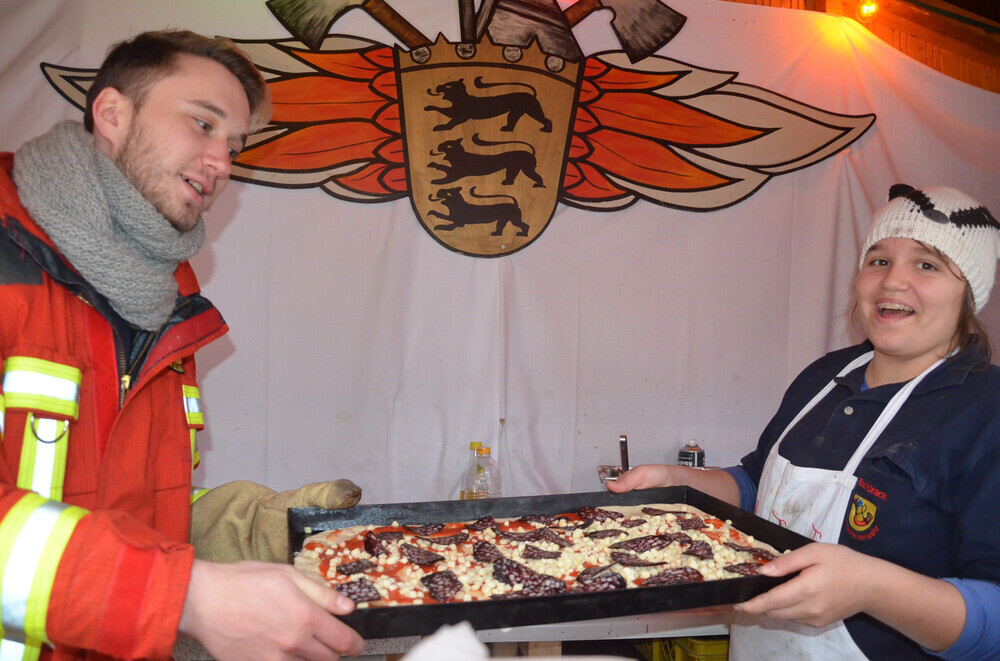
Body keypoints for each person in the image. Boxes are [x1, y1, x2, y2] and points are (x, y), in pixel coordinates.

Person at [0, 31, 365, 659]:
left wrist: (243, 535)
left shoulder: (160, 302)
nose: (222, 162)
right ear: (112, 113)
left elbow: (112, 505)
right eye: (203, 124)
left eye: (234, 146)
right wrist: (181, 594)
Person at [609, 184, 1000, 660]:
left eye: (927, 265)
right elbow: (758, 488)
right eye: (878, 260)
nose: (892, 282)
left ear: (970, 293)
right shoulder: (824, 377)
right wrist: (679, 485)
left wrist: (870, 588)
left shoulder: (986, 412)